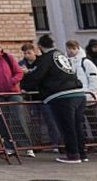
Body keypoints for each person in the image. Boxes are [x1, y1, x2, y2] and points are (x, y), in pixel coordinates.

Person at [23, 33, 91, 164]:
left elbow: (37, 75)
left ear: (40, 47)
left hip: (62, 96)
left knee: (67, 126)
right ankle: (82, 153)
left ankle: (72, 155)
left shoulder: (46, 58)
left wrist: (25, 86)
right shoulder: (61, 56)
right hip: (78, 93)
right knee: (77, 126)